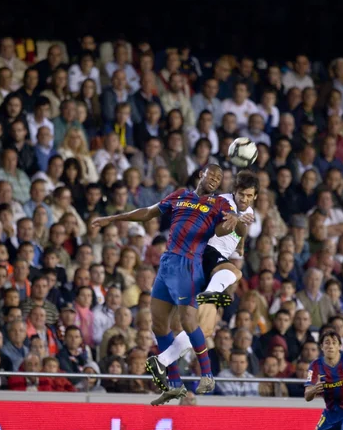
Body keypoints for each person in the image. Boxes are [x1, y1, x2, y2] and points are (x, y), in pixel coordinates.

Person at [93, 164, 240, 397]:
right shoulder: (181, 194)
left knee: (189, 322)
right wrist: (113, 218)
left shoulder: (220, 204)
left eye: (220, 178)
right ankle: (173, 381)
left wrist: (233, 222)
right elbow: (149, 212)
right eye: (212, 174)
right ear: (201, 174)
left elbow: (222, 231)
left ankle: (207, 375)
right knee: (159, 324)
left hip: (189, 264)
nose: (215, 179)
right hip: (167, 263)